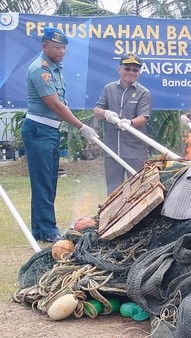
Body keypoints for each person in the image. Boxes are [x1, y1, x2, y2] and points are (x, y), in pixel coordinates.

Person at [22, 27, 99, 243]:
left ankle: (39, 229)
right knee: (43, 181)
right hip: (38, 130)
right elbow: (54, 104)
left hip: (50, 131)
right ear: (44, 46)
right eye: (57, 47)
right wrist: (81, 126)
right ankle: (48, 230)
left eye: (64, 47)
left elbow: (60, 102)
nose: (62, 51)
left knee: (48, 180)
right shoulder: (41, 69)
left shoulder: (55, 69)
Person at [93, 52, 152, 194]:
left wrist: (129, 123)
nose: (131, 72)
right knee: (114, 192)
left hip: (135, 151)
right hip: (112, 150)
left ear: (139, 72)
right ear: (119, 69)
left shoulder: (143, 93)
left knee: (138, 191)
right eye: (127, 68)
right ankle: (114, 216)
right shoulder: (109, 89)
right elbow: (96, 111)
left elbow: (143, 117)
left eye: (135, 70)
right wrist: (105, 113)